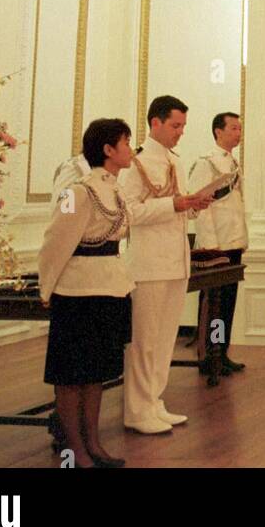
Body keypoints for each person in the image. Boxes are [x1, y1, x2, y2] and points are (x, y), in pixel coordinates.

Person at [38, 118, 137, 468]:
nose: (130, 149)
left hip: (109, 287)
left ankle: (93, 442)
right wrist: (46, 287)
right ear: (108, 150)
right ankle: (74, 448)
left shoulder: (116, 190)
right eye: (125, 142)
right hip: (76, 291)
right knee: (71, 374)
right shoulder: (76, 192)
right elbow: (55, 241)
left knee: (96, 372)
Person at [119, 95, 213, 435]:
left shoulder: (174, 161)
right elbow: (127, 213)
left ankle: (154, 401)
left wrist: (193, 206)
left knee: (164, 339)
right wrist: (173, 205)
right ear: (155, 123)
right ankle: (137, 410)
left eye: (183, 126)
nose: (180, 133)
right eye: (175, 126)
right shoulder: (134, 163)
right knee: (145, 341)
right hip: (148, 264)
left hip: (175, 261)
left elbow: (176, 208)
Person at [189, 111, 247, 375]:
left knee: (228, 300)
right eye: (233, 128)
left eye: (239, 128)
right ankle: (209, 353)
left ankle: (222, 350)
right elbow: (201, 206)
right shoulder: (207, 163)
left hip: (232, 240)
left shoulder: (233, 162)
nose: (238, 133)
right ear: (218, 131)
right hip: (216, 244)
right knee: (214, 301)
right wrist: (211, 244)